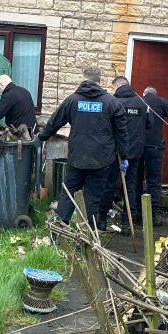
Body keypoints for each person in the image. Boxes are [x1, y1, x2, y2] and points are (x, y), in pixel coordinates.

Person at [38, 67, 128, 230]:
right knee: (92, 197)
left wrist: (42, 136)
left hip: (77, 157)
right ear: (100, 82)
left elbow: (55, 121)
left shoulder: (73, 100)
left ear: (83, 79)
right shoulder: (111, 102)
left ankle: (60, 229)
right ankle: (85, 233)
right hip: (101, 159)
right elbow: (121, 132)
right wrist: (125, 156)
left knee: (69, 192)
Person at [103, 76, 152, 236]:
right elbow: (149, 123)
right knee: (131, 186)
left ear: (117, 86)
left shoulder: (114, 102)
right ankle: (126, 224)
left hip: (115, 151)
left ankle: (102, 221)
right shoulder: (141, 102)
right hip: (135, 152)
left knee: (109, 184)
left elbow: (106, 125)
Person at [141, 86, 168, 226]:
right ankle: (151, 217)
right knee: (154, 182)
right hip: (154, 147)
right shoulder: (161, 101)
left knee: (135, 179)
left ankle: (135, 214)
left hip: (137, 147)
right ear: (155, 93)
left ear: (144, 93)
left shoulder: (138, 100)